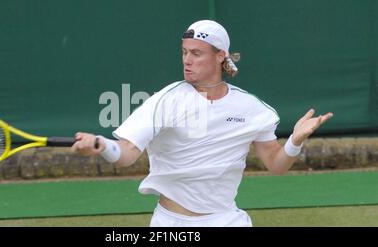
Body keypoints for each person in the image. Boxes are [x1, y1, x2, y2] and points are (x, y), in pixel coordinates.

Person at [71, 20, 333, 227]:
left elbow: (276, 165)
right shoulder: (165, 100)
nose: (187, 60)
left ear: (220, 56)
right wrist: (101, 145)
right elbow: (127, 153)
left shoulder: (253, 109)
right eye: (184, 52)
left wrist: (295, 141)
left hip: (227, 220)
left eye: (196, 53)